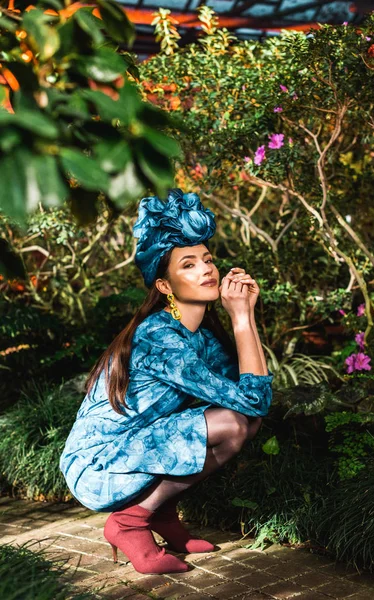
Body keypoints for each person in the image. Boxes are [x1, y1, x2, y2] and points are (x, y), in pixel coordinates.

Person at [59, 188, 274, 575]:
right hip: (98, 464)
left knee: (243, 423)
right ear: (164, 286)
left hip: (136, 446)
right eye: (188, 265)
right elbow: (247, 403)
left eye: (208, 259)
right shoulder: (159, 339)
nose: (207, 269)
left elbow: (253, 400)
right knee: (230, 425)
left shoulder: (202, 339)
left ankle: (158, 511)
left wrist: (245, 315)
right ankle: (129, 521)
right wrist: (239, 319)